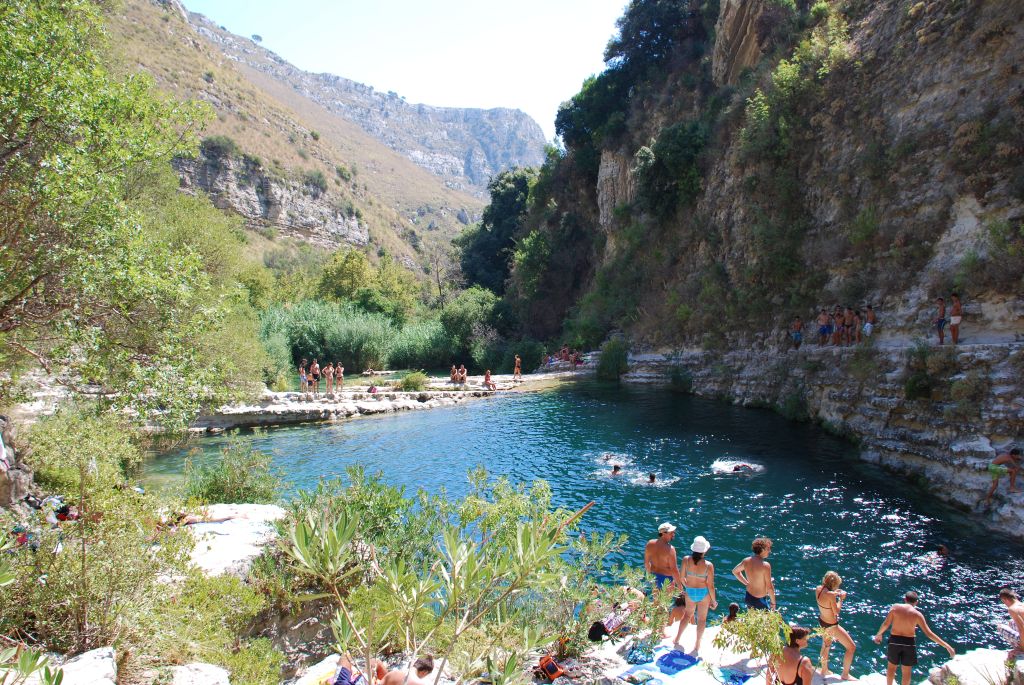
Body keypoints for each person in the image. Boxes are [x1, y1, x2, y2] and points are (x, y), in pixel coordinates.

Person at [873, 591, 955, 685]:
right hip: (909, 643)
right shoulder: (917, 615)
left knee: (891, 668)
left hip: (894, 641)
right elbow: (929, 634)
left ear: (905, 599)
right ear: (916, 602)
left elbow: (886, 624)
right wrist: (947, 646)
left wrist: (879, 634)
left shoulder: (895, 608)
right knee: (906, 672)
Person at [674, 535, 717, 652]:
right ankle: (697, 644)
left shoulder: (686, 560)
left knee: (687, 615)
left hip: (690, 591)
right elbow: (710, 585)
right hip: (703, 593)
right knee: (702, 619)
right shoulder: (708, 565)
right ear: (704, 550)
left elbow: (682, 577)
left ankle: (677, 639)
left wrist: (687, 586)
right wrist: (714, 600)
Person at [815, 571, 857, 680]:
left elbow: (827, 596)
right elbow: (836, 611)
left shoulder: (818, 589)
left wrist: (835, 592)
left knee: (825, 645)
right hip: (832, 625)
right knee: (851, 647)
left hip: (822, 622)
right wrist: (841, 599)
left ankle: (824, 670)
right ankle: (845, 674)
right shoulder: (831, 595)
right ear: (834, 584)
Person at [732, 537, 776, 610]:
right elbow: (769, 587)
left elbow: (735, 571)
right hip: (759, 600)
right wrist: (773, 603)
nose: (770, 551)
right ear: (762, 549)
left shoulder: (746, 560)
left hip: (749, 597)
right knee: (765, 620)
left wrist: (746, 583)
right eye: (768, 549)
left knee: (751, 617)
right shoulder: (765, 565)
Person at [644, 522, 681, 594]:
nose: (673, 534)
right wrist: (679, 585)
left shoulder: (650, 543)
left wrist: (649, 577)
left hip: (654, 577)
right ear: (664, 534)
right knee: (664, 603)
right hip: (667, 580)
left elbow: (646, 563)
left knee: (656, 602)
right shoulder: (670, 549)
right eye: (671, 533)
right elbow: (674, 570)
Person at [998, 588, 1024, 658]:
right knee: (1011, 622)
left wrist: (1021, 649)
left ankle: (1019, 648)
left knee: (1000, 627)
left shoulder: (1012, 609)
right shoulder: (1022, 605)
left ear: (1004, 599)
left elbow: (1022, 630)